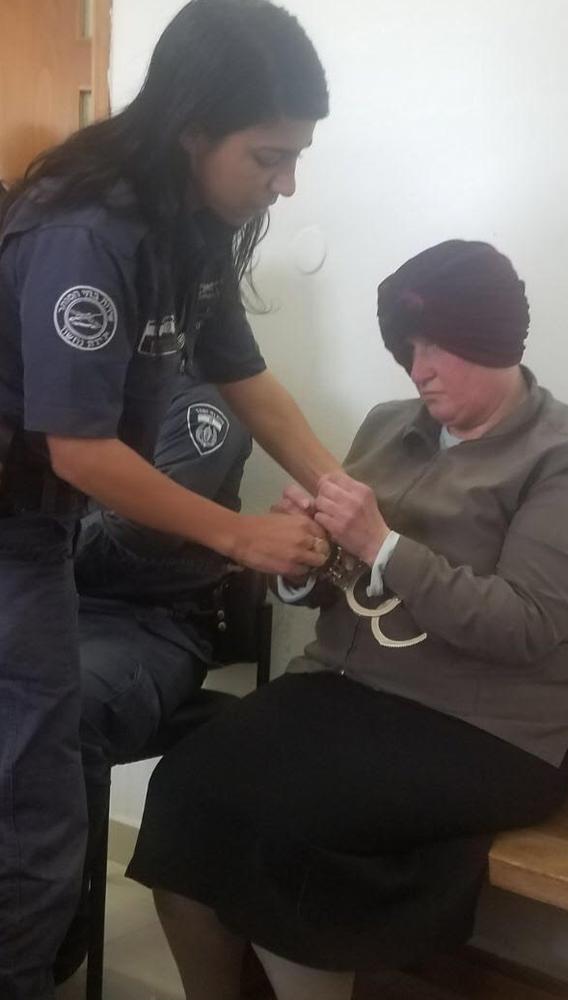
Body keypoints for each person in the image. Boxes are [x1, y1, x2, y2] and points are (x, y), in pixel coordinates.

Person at [127, 241, 568, 1000]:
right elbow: (343, 582)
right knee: (185, 785)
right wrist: (305, 565)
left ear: (494, 338)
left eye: (438, 344)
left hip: (497, 729)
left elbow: (524, 626)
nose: (418, 366)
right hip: (350, 689)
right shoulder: (390, 425)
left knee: (291, 826)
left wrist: (380, 543)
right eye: (407, 346)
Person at [0, 2, 339, 996]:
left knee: (31, 786)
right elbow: (80, 452)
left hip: (36, 527)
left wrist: (337, 484)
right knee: (36, 803)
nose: (286, 183)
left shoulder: (191, 222)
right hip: (20, 518)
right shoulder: (85, 231)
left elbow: (246, 377)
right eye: (268, 156)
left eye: (296, 156)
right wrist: (241, 536)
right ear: (195, 127)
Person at [53, 371, 253, 984]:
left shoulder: (202, 403)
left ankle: (53, 940)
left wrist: (29, 539)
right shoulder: (73, 390)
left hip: (147, 624)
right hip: (49, 600)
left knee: (61, 710)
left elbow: (135, 532)